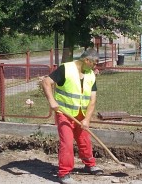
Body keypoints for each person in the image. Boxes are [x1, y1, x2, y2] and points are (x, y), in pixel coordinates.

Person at [41, 48, 103, 184]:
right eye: (95, 63)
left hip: (81, 114)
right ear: (87, 60)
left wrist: (87, 119)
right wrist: (52, 101)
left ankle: (90, 165)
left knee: (84, 140)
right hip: (64, 113)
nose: (95, 66)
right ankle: (64, 173)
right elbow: (46, 82)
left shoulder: (91, 75)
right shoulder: (66, 69)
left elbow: (92, 100)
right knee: (67, 143)